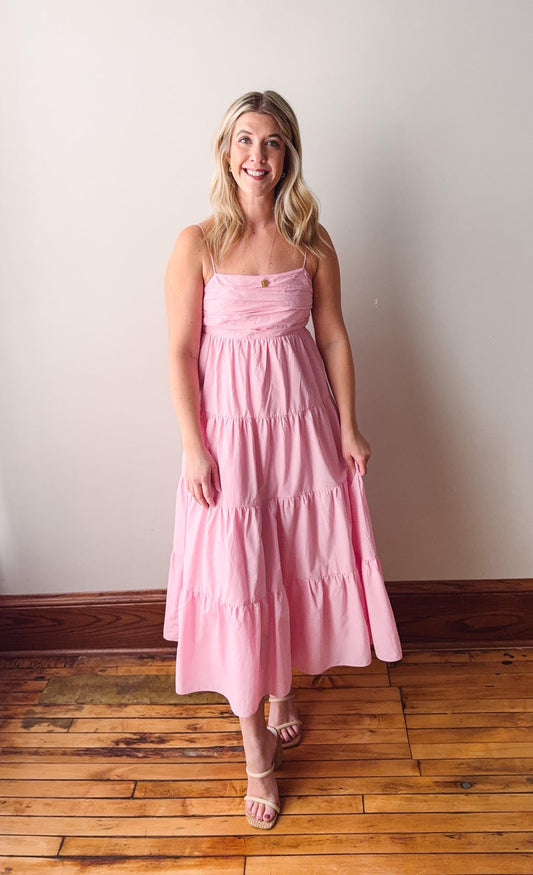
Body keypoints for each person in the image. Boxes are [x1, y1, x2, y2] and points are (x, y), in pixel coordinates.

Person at [164, 90, 402, 830]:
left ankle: (282, 687)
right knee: (242, 575)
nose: (255, 156)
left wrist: (349, 428)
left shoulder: (312, 239)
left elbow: (331, 337)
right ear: (225, 149)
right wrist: (192, 444)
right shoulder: (197, 242)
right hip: (231, 438)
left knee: (294, 563)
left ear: (288, 154)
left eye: (270, 143)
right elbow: (178, 350)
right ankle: (257, 757)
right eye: (243, 140)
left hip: (302, 432)